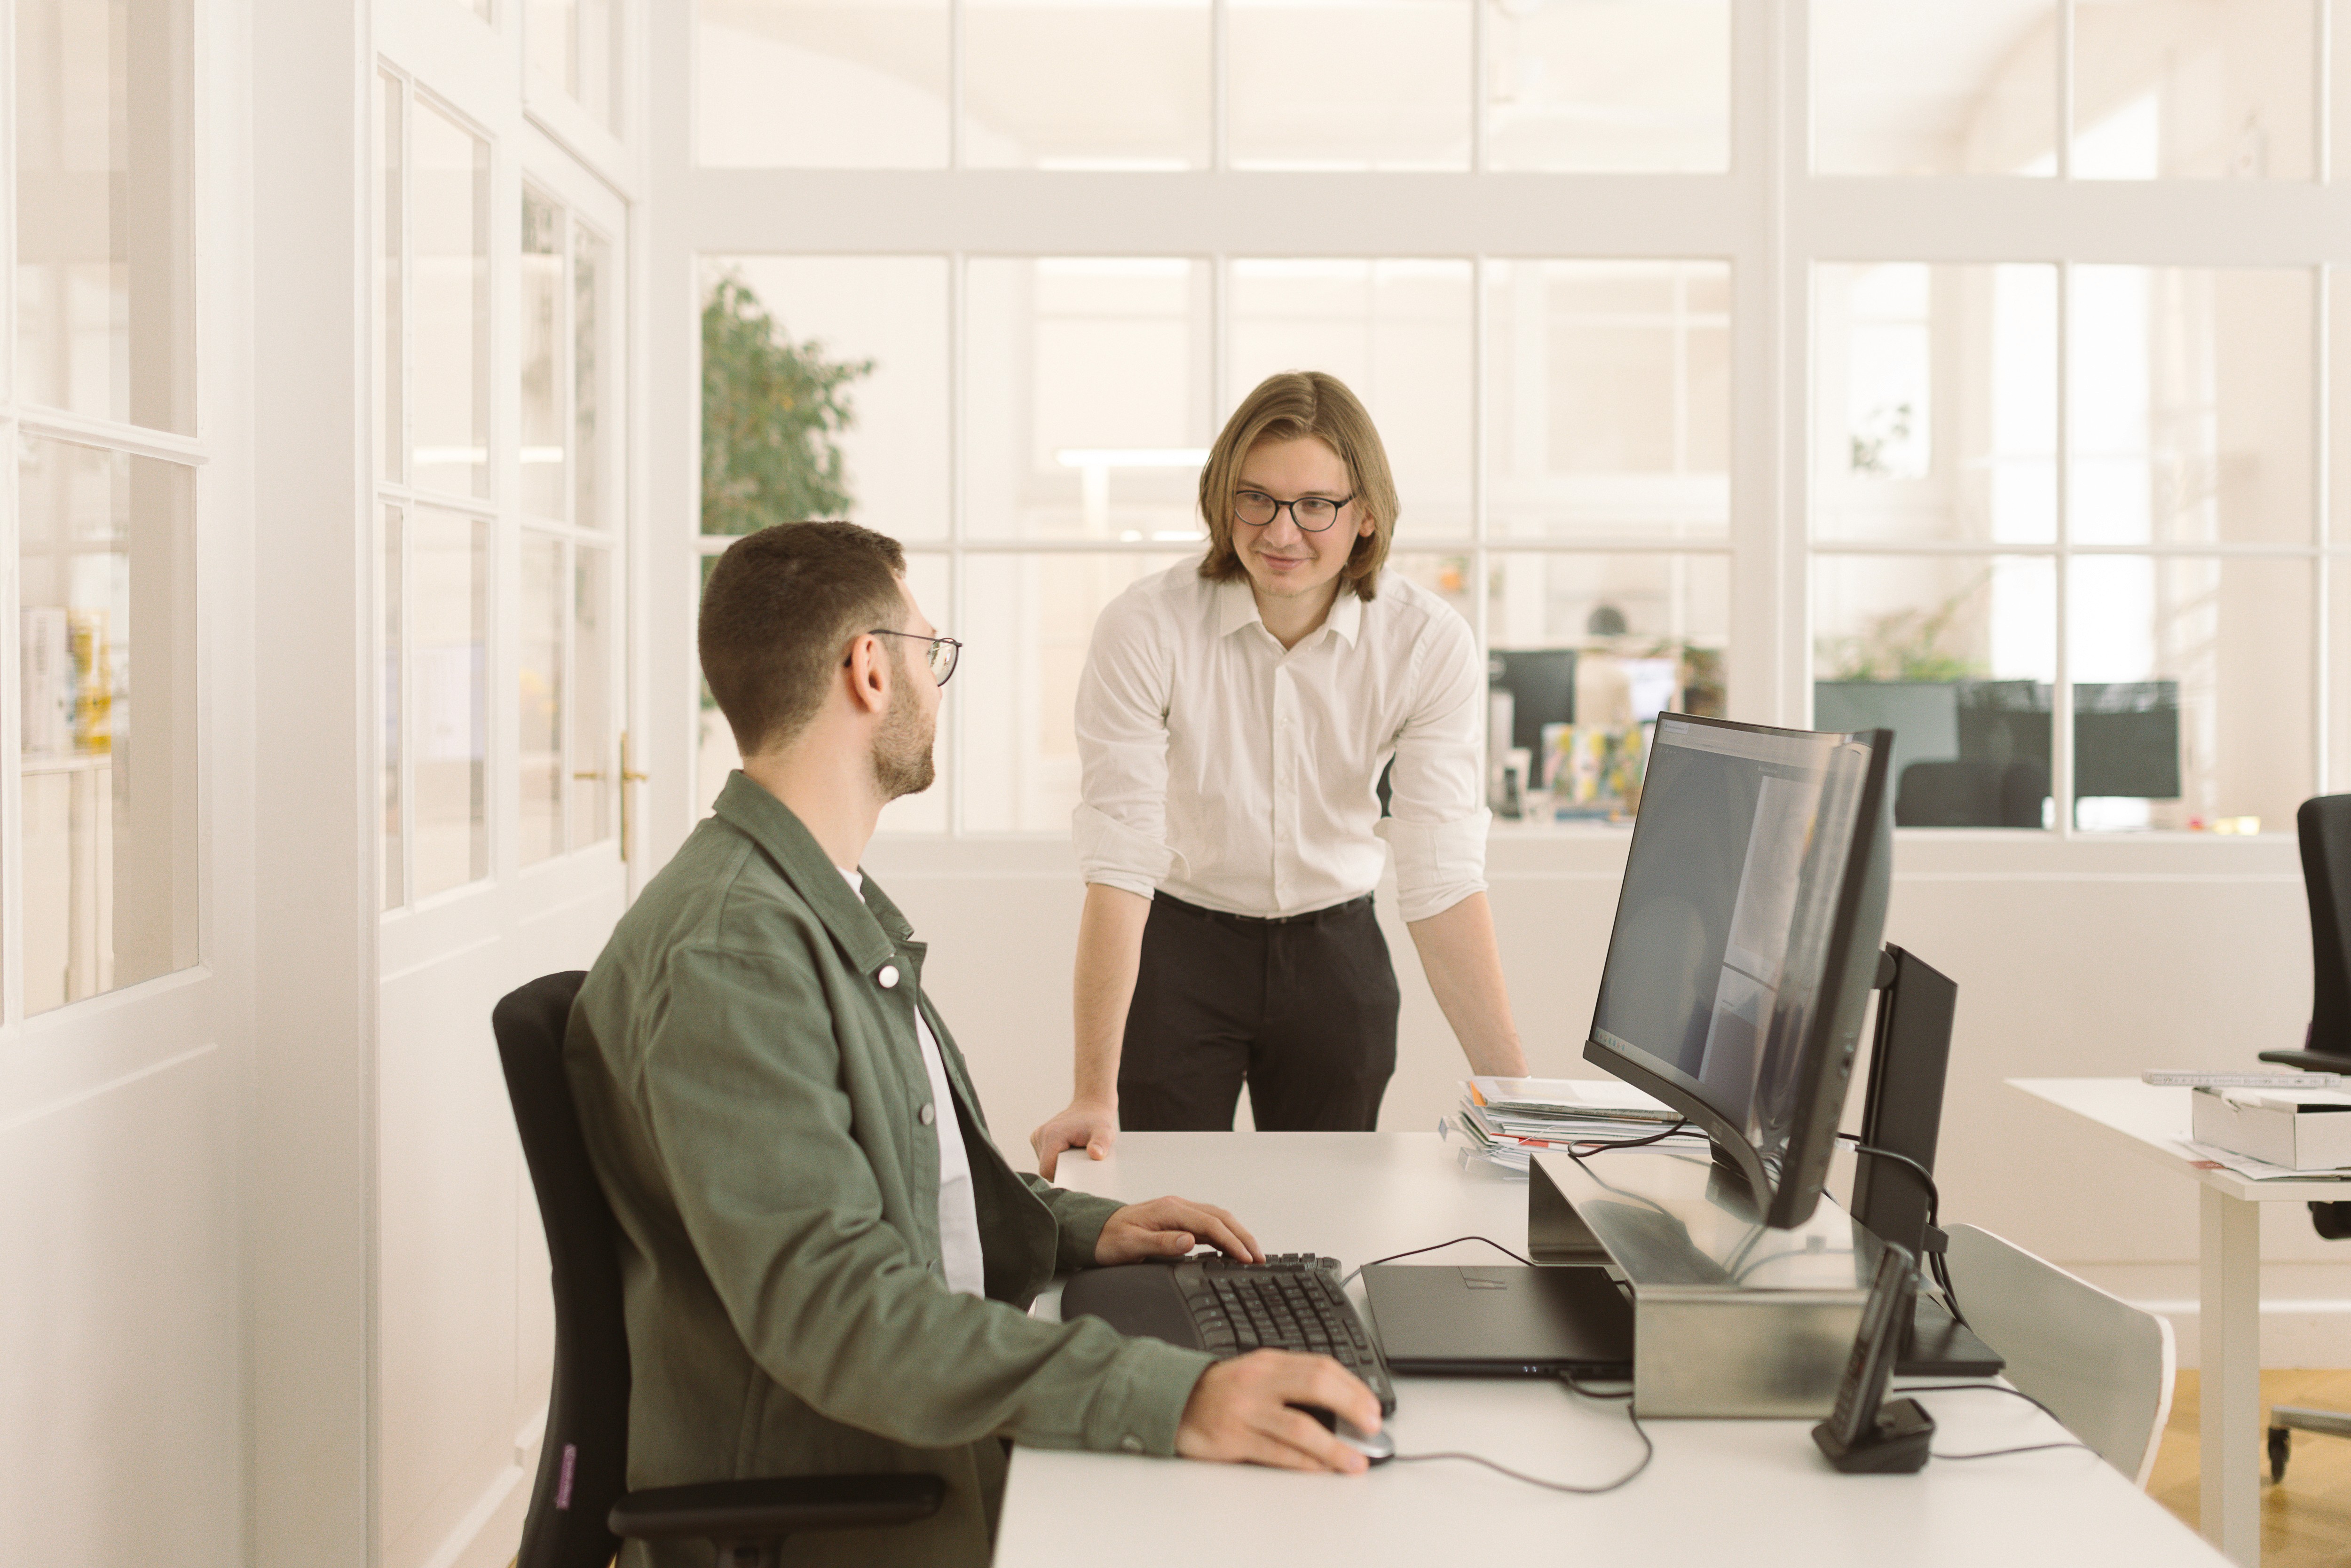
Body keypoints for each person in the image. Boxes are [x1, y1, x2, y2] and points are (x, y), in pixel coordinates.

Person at [566, 521, 1382, 1568]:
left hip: (902, 1446)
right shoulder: (735, 954)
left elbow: (892, 1193)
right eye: (928, 652)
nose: (934, 684)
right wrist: (1172, 1395)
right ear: (869, 670)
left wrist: (1083, 1229)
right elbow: (841, 1313)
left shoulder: (811, 902)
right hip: (852, 1501)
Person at [1031, 371, 1528, 1179]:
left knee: (1328, 1219)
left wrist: (1517, 1099)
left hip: (1337, 954)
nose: (1282, 531)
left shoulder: (1427, 643)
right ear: (1222, 500)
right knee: (1164, 1211)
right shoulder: (1145, 626)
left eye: (1316, 505)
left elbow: (1440, 877)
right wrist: (1092, 1089)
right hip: (1182, 948)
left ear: (1365, 515)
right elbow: (1120, 861)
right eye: (1255, 498)